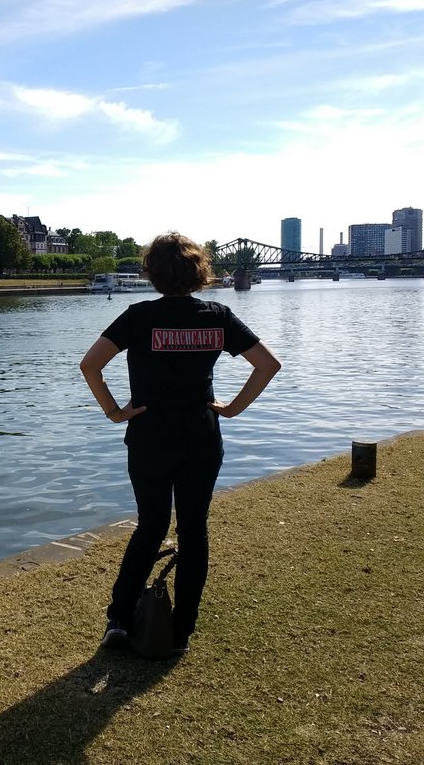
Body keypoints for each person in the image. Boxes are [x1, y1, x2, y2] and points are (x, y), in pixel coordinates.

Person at [80, 232, 281, 654]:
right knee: (193, 530)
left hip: (149, 438)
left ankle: (118, 619)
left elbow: (90, 365)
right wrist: (232, 409)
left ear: (152, 273)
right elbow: (267, 365)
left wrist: (115, 412)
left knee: (150, 526)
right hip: (201, 437)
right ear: (198, 272)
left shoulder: (137, 317)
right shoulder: (218, 316)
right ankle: (181, 631)